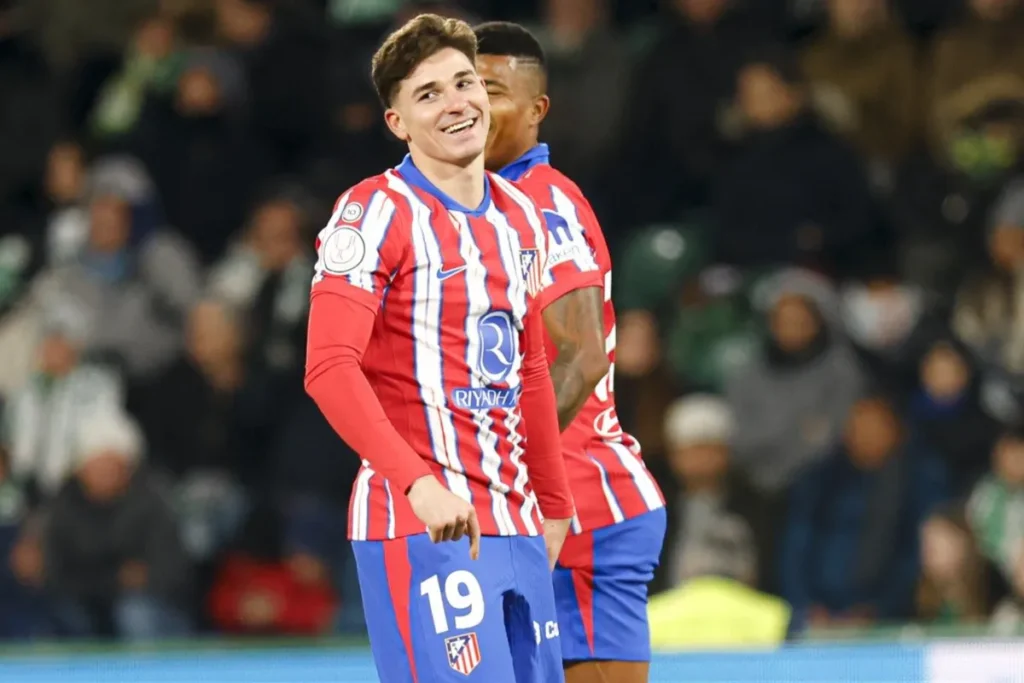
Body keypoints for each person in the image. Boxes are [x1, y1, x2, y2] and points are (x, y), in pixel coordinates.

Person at [303, 14, 574, 683]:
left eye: (465, 82)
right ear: (397, 122)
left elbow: (530, 370)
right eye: (429, 94)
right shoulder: (375, 212)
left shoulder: (522, 217)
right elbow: (328, 367)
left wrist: (556, 502)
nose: (456, 103)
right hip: (424, 525)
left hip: (517, 523)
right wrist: (419, 485)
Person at [475, 21, 666, 683]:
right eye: (461, 88)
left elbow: (583, 357)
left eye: (491, 91)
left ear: (537, 110)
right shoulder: (477, 209)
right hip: (532, 506)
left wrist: (500, 465)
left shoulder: (543, 204)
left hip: (581, 502)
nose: (470, 106)